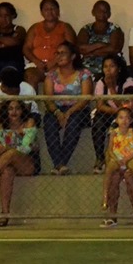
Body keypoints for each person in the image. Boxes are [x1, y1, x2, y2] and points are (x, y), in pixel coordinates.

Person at [42, 41, 93, 175]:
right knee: (49, 122)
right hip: (56, 109)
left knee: (74, 121)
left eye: (63, 53)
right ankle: (60, 164)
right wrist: (58, 112)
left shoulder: (84, 74)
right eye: (57, 53)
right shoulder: (51, 76)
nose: (59, 56)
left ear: (73, 56)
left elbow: (86, 98)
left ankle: (60, 163)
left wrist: (69, 112)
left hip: (78, 109)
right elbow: (48, 100)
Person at [92, 54, 133, 173]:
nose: (108, 70)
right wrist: (116, 112)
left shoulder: (129, 82)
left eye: (112, 66)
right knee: (98, 120)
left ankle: (120, 158)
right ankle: (100, 158)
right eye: (105, 67)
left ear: (119, 68)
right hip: (110, 112)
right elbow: (100, 105)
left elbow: (126, 107)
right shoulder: (101, 83)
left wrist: (112, 88)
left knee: (123, 119)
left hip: (127, 113)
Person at [101, 108, 133, 221]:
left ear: (130, 120)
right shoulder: (114, 133)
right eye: (121, 117)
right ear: (116, 120)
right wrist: (116, 159)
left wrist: (127, 159)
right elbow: (110, 149)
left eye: (127, 118)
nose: (124, 120)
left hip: (129, 158)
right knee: (111, 174)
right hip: (117, 158)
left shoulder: (132, 132)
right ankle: (106, 200)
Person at [22, 0, 77, 86]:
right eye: (46, 9)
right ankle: (31, 100)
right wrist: (37, 62)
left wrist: (54, 61)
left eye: (52, 8)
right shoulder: (35, 27)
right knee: (30, 76)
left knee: (55, 76)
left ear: (58, 11)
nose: (49, 12)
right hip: (37, 65)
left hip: (59, 65)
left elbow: (71, 48)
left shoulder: (66, 27)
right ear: (41, 12)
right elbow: (26, 48)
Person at [76, 0, 125, 79]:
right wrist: (100, 44)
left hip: (110, 65)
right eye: (99, 10)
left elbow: (113, 49)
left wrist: (91, 52)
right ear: (93, 12)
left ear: (109, 14)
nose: (102, 13)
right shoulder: (86, 29)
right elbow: (80, 48)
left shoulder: (115, 28)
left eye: (105, 11)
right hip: (87, 66)